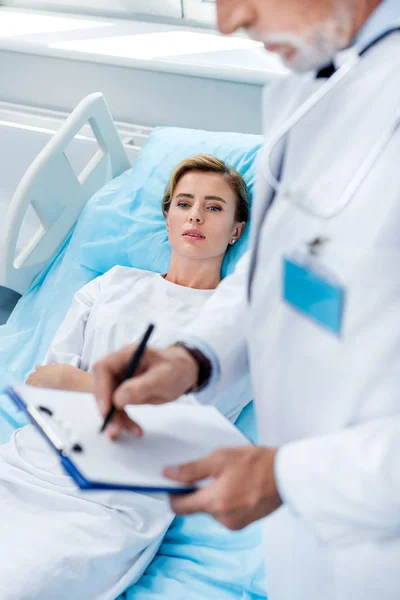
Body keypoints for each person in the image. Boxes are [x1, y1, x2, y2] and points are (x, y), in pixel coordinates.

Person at [92, 1, 400, 599]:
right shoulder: (319, 82)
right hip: (303, 529)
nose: (229, 21)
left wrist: (288, 476)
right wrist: (195, 355)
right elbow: (287, 269)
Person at [0, 155, 250, 600]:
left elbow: (186, 425)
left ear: (236, 229)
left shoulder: (232, 328)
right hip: (32, 462)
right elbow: (42, 381)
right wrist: (112, 394)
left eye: (214, 207)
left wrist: (76, 383)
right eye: (183, 203)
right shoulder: (112, 284)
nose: (195, 214)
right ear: (167, 218)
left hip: (115, 495)